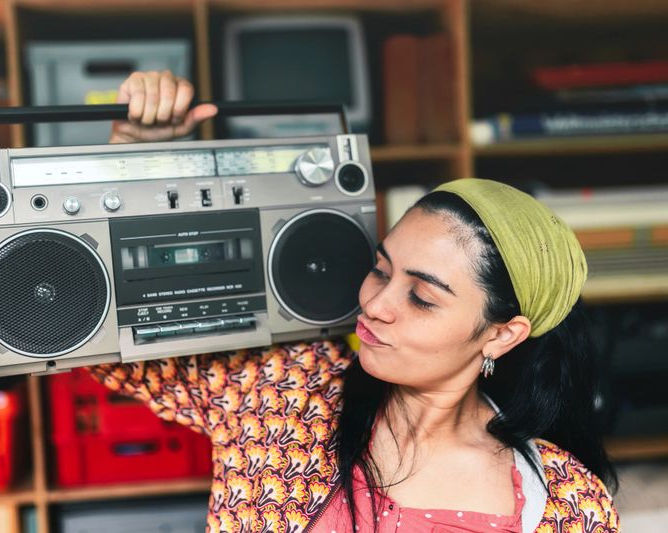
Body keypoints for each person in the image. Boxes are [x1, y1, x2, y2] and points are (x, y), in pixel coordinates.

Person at [90, 70, 619, 532]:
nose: (374, 304)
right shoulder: (284, 394)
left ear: (502, 333)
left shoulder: (568, 506)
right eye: (379, 269)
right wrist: (134, 158)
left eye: (421, 297)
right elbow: (113, 339)